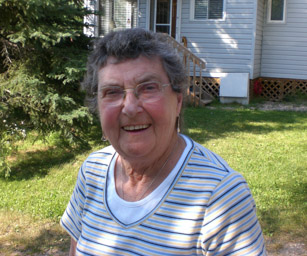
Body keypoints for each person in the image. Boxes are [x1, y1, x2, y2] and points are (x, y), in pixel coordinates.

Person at [61, 28, 266, 256]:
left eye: (148, 88)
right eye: (112, 92)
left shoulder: (220, 195)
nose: (129, 107)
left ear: (178, 101)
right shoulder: (93, 171)